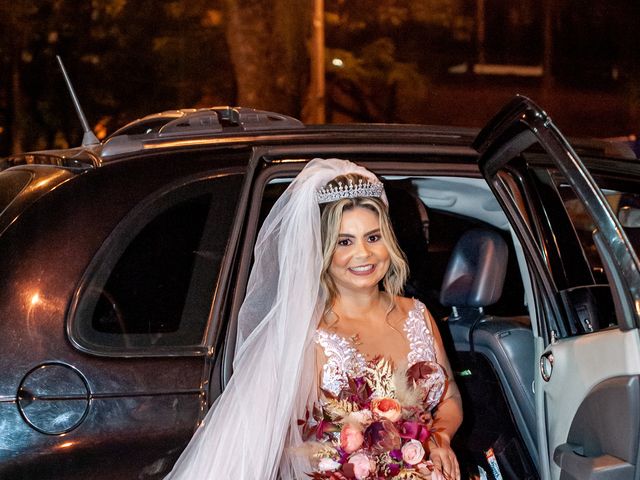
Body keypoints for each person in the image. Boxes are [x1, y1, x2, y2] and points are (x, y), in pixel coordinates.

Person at [164, 158, 462, 480]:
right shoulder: (305, 335)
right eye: (344, 241)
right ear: (320, 249)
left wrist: (439, 437)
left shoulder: (417, 314)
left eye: (373, 237)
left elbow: (449, 396)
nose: (363, 254)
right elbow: (276, 444)